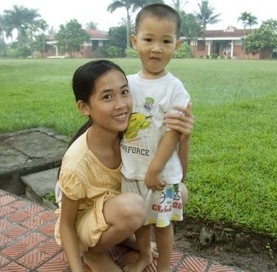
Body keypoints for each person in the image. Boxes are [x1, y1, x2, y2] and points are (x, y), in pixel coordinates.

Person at [54, 60, 193, 272]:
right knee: (133, 208)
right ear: (84, 107)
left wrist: (183, 140)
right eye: (107, 96)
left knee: (177, 193)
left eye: (124, 92)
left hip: (116, 209)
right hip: (84, 220)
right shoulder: (77, 162)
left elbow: (177, 177)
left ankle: (126, 239)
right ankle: (93, 253)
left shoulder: (134, 136)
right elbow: (66, 224)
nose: (121, 104)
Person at [120, 4, 190, 272]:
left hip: (161, 176)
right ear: (135, 42)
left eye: (166, 41)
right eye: (148, 39)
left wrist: (155, 170)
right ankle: (144, 256)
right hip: (130, 170)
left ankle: (163, 267)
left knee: (162, 224)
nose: (156, 48)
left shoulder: (175, 87)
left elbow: (174, 132)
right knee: (140, 222)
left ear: (177, 45)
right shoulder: (126, 83)